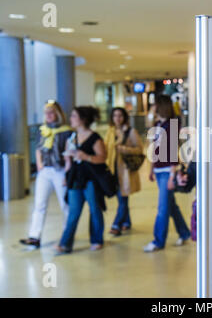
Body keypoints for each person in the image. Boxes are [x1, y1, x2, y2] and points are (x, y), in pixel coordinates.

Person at [20, 100, 72, 248]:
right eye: (46, 113)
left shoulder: (66, 131)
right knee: (39, 205)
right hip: (45, 172)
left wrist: (67, 173)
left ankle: (66, 235)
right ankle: (34, 236)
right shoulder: (42, 130)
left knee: (65, 204)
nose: (48, 115)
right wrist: (39, 165)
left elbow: (69, 152)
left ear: (58, 114)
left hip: (60, 171)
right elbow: (38, 148)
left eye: (51, 112)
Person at [56, 106, 108, 253]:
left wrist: (86, 157)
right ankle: (65, 243)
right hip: (75, 178)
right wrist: (66, 177)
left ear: (83, 120)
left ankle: (97, 239)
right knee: (73, 211)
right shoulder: (71, 138)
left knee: (94, 209)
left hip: (91, 178)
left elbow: (103, 158)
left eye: (74, 116)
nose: (71, 119)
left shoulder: (95, 138)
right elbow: (68, 162)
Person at [144, 95, 191, 252]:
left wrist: (172, 176)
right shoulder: (158, 124)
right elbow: (154, 148)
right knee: (171, 206)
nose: (153, 108)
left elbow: (172, 151)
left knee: (163, 208)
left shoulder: (172, 125)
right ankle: (184, 233)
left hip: (167, 172)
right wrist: (151, 169)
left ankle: (158, 241)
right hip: (158, 170)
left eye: (155, 105)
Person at [105, 107, 143, 236]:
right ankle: (127, 222)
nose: (117, 118)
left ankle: (117, 225)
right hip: (112, 170)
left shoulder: (131, 131)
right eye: (115, 115)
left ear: (124, 117)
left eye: (120, 115)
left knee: (123, 198)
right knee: (121, 198)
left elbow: (139, 149)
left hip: (125, 171)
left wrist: (123, 149)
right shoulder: (110, 132)